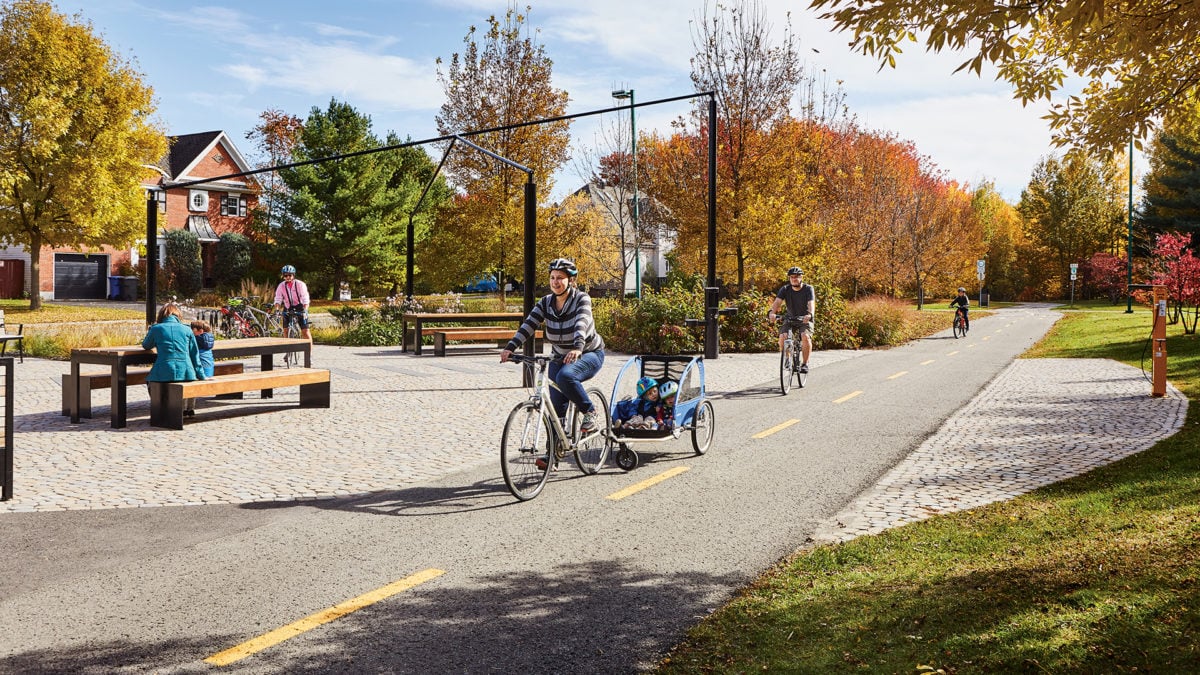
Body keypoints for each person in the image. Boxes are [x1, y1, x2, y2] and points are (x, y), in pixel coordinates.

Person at [500, 258, 606, 438]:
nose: (555, 282)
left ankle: (590, 412)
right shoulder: (545, 302)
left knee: (566, 376)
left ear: (571, 280)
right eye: (552, 277)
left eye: (560, 278)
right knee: (556, 409)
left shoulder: (582, 298)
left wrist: (578, 347)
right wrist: (510, 347)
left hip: (589, 354)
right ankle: (552, 456)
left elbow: (582, 322)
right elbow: (528, 325)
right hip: (559, 356)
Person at [142, 303, 204, 394]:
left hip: (163, 371)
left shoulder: (156, 329)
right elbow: (194, 355)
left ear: (161, 315)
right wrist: (201, 375)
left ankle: (160, 406)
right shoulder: (187, 329)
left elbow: (146, 345)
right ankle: (188, 408)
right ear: (178, 315)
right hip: (186, 372)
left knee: (151, 381)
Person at [767, 266, 816, 373]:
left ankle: (805, 363)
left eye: (797, 277)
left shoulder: (808, 289)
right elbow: (777, 302)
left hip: (805, 319)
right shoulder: (785, 289)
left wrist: (810, 314)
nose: (794, 279)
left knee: (805, 337)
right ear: (789, 278)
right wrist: (772, 313)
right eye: (792, 277)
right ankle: (787, 359)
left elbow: (811, 303)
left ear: (801, 277)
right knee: (782, 337)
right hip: (790, 319)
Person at [183, 320, 215, 417]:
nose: (190, 331)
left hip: (200, 373)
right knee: (192, 383)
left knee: (186, 380)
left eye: (192, 329)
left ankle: (183, 409)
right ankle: (191, 409)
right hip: (209, 371)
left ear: (200, 331)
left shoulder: (196, 339)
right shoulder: (208, 338)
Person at [273, 264, 311, 343]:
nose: (287, 277)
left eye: (289, 275)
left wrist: (305, 311)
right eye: (285, 275)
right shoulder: (281, 286)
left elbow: (305, 298)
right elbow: (278, 299)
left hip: (300, 307)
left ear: (293, 275)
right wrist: (277, 310)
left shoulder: (300, 284)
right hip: (288, 307)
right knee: (285, 330)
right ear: (283, 276)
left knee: (305, 332)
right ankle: (287, 352)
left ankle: (309, 354)